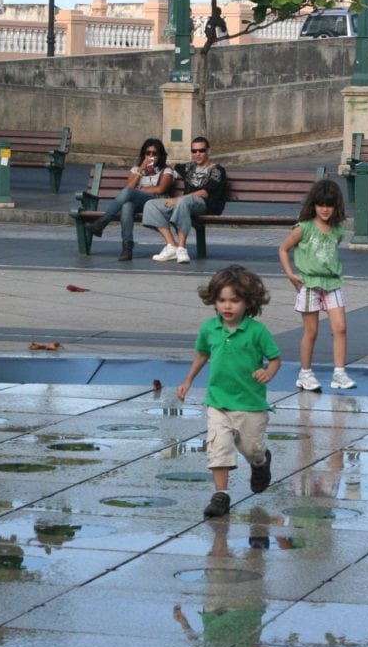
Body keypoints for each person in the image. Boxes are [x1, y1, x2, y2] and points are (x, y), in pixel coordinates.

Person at [176, 265, 281, 518]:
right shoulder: (210, 328)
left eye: (234, 300)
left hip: (250, 403)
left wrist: (268, 372)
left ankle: (260, 462)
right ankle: (221, 495)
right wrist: (188, 380)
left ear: (248, 302)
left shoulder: (257, 331)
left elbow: (276, 358)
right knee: (218, 447)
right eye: (222, 300)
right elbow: (202, 353)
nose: (227, 306)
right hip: (218, 401)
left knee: (251, 449)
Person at [277, 178, 356, 392]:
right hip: (310, 282)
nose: (325, 210)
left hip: (332, 282)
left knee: (340, 328)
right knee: (311, 331)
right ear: (313, 205)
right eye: (321, 205)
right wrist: (291, 275)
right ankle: (305, 373)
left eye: (329, 205)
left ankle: (339, 372)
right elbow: (283, 249)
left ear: (336, 206)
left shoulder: (337, 230)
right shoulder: (304, 228)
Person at [87, 137, 174, 262]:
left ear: (160, 155)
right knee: (127, 205)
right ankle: (127, 247)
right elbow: (128, 188)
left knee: (129, 194)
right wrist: (141, 170)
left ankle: (103, 221)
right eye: (147, 153)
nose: (150, 156)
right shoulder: (136, 170)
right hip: (139, 203)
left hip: (155, 203)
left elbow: (160, 190)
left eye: (154, 153)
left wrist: (139, 190)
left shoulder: (166, 170)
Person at [143, 136, 226, 264]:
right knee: (151, 205)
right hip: (184, 203)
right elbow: (170, 165)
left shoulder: (217, 170)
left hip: (205, 205)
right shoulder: (188, 167)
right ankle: (171, 246)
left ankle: (182, 248)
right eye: (194, 151)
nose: (197, 154)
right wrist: (152, 164)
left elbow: (204, 193)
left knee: (183, 202)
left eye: (201, 150)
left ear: (209, 151)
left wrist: (177, 199)